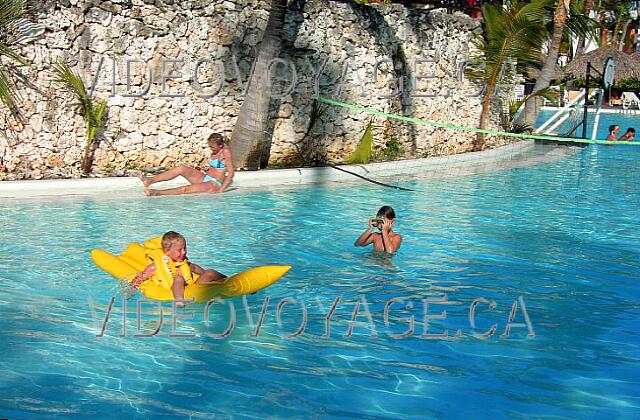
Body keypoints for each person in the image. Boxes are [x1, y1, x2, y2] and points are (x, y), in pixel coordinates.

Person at [131, 231, 225, 305]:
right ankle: (179, 301)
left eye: (185, 248)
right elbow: (141, 277)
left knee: (210, 272)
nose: (183, 252)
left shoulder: (184, 263)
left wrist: (207, 275)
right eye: (179, 250)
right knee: (179, 278)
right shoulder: (155, 267)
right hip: (175, 291)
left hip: (191, 288)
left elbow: (195, 268)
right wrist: (132, 288)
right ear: (167, 251)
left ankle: (229, 281)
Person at [138, 133, 235, 196]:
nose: (211, 149)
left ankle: (156, 192)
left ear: (221, 145)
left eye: (213, 147)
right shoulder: (216, 147)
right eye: (209, 146)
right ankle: (150, 180)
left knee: (185, 189)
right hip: (205, 178)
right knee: (181, 168)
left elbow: (231, 173)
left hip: (214, 184)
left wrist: (221, 190)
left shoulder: (225, 152)